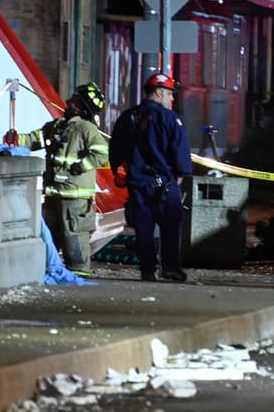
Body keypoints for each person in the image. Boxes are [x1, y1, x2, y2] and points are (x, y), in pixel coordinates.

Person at [109, 73, 193, 282]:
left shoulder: (127, 117)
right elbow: (179, 150)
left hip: (137, 182)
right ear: (158, 92)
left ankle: (148, 269)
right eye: (169, 94)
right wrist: (181, 172)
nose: (171, 99)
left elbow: (115, 151)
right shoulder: (169, 119)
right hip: (165, 182)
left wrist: (120, 171)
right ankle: (170, 267)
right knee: (171, 225)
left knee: (143, 227)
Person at [22, 83, 110, 277]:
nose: (69, 100)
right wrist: (15, 140)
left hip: (75, 197)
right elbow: (34, 139)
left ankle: (79, 273)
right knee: (48, 235)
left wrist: (79, 166)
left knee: (74, 236)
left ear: (81, 106)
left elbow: (102, 153)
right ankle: (47, 270)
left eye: (75, 98)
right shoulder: (59, 125)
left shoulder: (85, 128)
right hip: (54, 193)